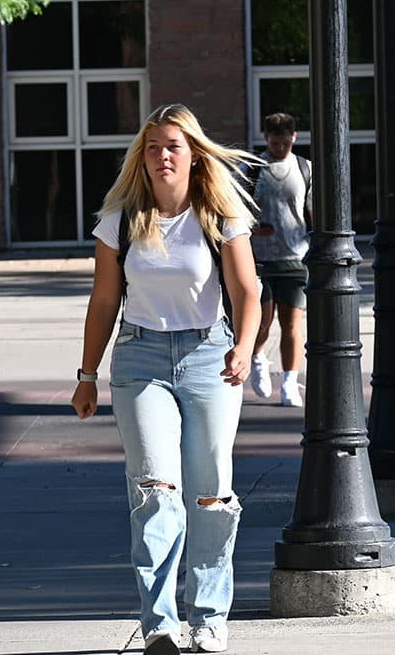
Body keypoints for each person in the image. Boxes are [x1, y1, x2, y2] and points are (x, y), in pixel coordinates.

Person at [70, 104, 261, 655]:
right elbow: (104, 300)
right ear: (143, 157)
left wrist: (245, 349)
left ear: (194, 154)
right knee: (155, 489)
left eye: (173, 146)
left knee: (211, 492)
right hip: (139, 359)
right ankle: (159, 622)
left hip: (210, 358)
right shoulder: (121, 220)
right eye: (152, 147)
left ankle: (208, 616)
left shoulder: (219, 217)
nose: (162, 156)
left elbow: (248, 290)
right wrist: (86, 375)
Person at [247, 112, 312, 407]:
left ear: (294, 138)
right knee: (263, 320)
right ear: (266, 139)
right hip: (259, 258)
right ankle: (258, 356)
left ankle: (289, 382)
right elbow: (231, 208)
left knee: (293, 322)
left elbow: (310, 209)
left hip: (295, 255)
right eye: (275, 143)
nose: (280, 149)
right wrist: (252, 228)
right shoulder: (251, 168)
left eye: (285, 143)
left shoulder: (304, 168)